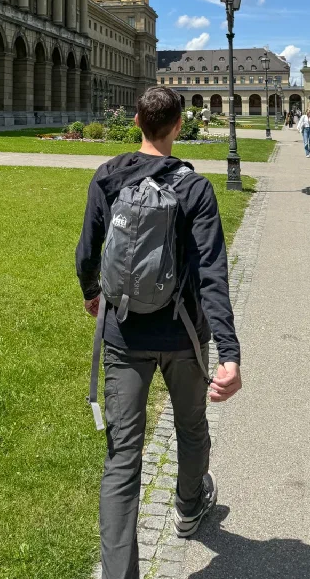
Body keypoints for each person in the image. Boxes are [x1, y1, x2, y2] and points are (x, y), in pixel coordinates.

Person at [76, 86, 241, 579]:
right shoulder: (194, 188)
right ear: (177, 126)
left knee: (123, 456)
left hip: (122, 334)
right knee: (191, 429)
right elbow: (213, 273)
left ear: (136, 122)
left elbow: (87, 251)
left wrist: (92, 292)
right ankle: (190, 508)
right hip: (185, 336)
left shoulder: (107, 176)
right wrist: (229, 353)